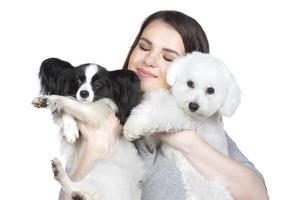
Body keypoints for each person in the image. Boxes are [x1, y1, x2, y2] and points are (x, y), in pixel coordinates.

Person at [60, 10, 269, 200]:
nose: (149, 60)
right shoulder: (97, 117)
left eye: (168, 57)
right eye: (143, 47)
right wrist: (96, 147)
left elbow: (257, 194)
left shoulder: (205, 126)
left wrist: (187, 140)